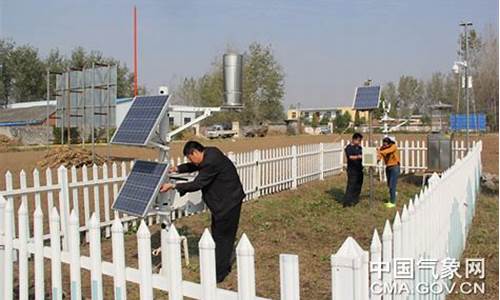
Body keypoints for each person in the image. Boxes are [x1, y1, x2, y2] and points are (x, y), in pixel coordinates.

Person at [159, 141, 245, 283]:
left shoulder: (211, 162)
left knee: (223, 238)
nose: (190, 161)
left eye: (189, 157)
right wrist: (177, 169)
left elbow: (198, 184)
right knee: (219, 235)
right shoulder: (209, 153)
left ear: (195, 153)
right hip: (223, 202)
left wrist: (173, 186)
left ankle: (219, 274)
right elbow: (195, 165)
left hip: (229, 203)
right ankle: (222, 266)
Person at [378, 136, 400, 208]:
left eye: (386, 144)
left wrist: (379, 151)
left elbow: (388, 151)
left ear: (390, 143)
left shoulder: (393, 146)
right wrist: (376, 159)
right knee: (389, 185)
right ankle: (393, 195)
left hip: (395, 167)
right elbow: (379, 156)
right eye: (384, 144)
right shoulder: (382, 148)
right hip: (388, 167)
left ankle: (392, 202)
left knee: (392, 185)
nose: (385, 145)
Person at [343, 133, 364, 207]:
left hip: (359, 169)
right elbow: (350, 157)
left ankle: (355, 200)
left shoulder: (359, 148)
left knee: (358, 185)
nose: (360, 142)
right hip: (352, 170)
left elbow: (363, 155)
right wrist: (358, 157)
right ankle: (347, 202)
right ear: (354, 139)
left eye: (360, 140)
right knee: (351, 185)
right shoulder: (348, 148)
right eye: (359, 140)